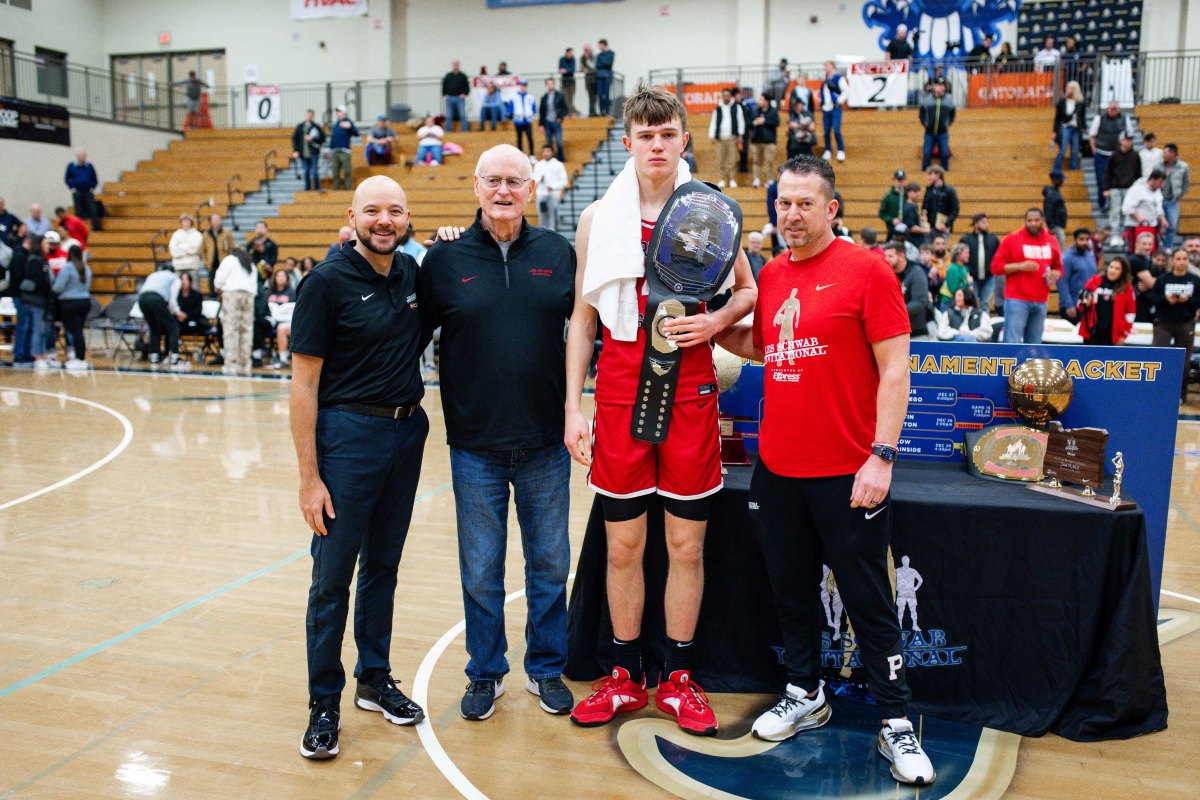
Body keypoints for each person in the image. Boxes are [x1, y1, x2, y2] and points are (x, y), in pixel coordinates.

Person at [715, 154, 935, 787]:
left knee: (868, 599)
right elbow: (764, 347)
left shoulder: (867, 271)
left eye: (804, 203)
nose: (791, 214)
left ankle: (896, 721)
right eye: (783, 203)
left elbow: (896, 369)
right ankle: (805, 692)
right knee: (791, 592)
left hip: (849, 473)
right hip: (778, 472)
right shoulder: (774, 274)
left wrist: (882, 456)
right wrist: (707, 329)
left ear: (831, 208)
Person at [564, 83, 756, 736]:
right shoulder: (597, 219)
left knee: (685, 543)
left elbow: (749, 293)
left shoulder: (712, 213)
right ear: (628, 142)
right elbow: (583, 324)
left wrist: (716, 322)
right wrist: (573, 405)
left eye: (667, 133)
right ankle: (623, 677)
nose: (656, 145)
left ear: (683, 140)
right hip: (618, 389)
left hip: (692, 390)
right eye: (644, 135)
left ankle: (677, 678)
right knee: (623, 544)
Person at [418, 144, 578, 721]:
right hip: (475, 447)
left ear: (531, 189)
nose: (504, 190)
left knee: (550, 564)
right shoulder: (443, 260)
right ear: (477, 187)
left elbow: (589, 333)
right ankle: (486, 672)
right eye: (493, 181)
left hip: (544, 444)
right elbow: (403, 325)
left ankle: (545, 668)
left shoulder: (560, 255)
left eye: (515, 181)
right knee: (482, 570)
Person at [290, 175, 429, 760]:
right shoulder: (324, 283)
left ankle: (374, 676)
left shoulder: (412, 275)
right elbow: (303, 386)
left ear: (405, 219)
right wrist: (309, 477)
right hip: (348, 437)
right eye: (373, 210)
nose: (384, 220)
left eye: (394, 211)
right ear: (352, 216)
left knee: (384, 566)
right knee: (332, 579)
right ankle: (325, 701)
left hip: (406, 432)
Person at [992, 208, 1062, 344]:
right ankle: (1011, 366)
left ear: (1043, 220)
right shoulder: (1012, 239)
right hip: (1017, 299)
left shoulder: (1051, 241)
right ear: (1025, 222)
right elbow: (995, 267)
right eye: (1029, 220)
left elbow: (1058, 266)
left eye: (1036, 220)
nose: (1033, 223)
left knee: (1034, 343)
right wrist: (1019, 266)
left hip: (1041, 299)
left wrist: (1056, 274)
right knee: (1012, 342)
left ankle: (1030, 366)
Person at [1152, 248, 1200, 402]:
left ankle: (1180, 395)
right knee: (1158, 359)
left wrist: (1188, 300)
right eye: (1178, 258)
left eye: (1184, 259)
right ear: (1172, 261)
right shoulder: (1163, 278)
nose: (1181, 262)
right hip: (1163, 324)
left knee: (1184, 362)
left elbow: (1198, 302)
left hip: (1185, 324)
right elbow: (1153, 299)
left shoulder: (1195, 279)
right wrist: (1166, 299)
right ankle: (1155, 392)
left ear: (1188, 261)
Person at [50, 244, 92, 370]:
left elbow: (58, 287)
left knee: (75, 332)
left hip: (69, 303)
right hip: (85, 301)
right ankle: (80, 358)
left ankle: (79, 359)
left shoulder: (67, 268)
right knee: (79, 331)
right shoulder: (87, 268)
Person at [1078, 255, 1135, 347]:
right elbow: (1081, 303)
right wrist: (1085, 303)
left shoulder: (1128, 289)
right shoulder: (1094, 281)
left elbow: (1130, 314)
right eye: (1111, 267)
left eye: (1117, 269)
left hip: (1113, 334)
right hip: (1092, 332)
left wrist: (1124, 335)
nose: (1112, 270)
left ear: (1123, 272)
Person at [1089, 101, 1134, 214]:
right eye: (1111, 109)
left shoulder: (1125, 119)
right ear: (1108, 109)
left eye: (1115, 109)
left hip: (1118, 156)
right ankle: (1103, 204)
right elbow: (1092, 136)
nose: (1113, 111)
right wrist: (1094, 150)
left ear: (1118, 109)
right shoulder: (1099, 118)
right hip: (1102, 154)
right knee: (1101, 180)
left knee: (1119, 181)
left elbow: (1130, 136)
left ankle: (1118, 206)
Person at [137, 266, 187, 369]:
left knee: (154, 327)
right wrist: (177, 312)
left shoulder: (153, 274)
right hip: (156, 298)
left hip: (142, 299)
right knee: (173, 327)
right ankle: (174, 357)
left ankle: (154, 356)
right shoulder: (174, 278)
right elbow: (172, 300)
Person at [18, 234, 52, 370]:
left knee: (43, 329)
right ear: (40, 244)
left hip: (43, 300)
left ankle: (43, 354)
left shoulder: (42, 260)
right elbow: (40, 281)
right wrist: (48, 293)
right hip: (36, 300)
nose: (48, 245)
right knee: (38, 329)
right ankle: (37, 356)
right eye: (46, 243)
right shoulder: (34, 260)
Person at [884, 241, 931, 340]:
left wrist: (894, 312)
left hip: (916, 332)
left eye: (890, 256)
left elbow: (920, 301)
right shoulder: (887, 273)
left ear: (902, 255)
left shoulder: (916, 272)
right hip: (894, 332)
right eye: (885, 256)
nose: (886, 259)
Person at [960, 213, 1001, 312]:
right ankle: (972, 323)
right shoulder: (966, 239)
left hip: (989, 278)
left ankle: (984, 325)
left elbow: (999, 257)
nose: (986, 224)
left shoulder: (993, 239)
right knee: (972, 302)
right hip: (972, 277)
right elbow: (960, 258)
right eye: (983, 222)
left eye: (987, 222)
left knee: (985, 303)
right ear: (976, 224)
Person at [1058, 228, 1098, 324]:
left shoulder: (1091, 257)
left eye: (1087, 239)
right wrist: (1069, 305)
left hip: (1088, 305)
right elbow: (1062, 283)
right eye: (1081, 239)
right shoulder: (1067, 258)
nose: (1084, 242)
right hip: (1073, 307)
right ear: (1074, 240)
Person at [708, 87, 746, 189]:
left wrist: (740, 135)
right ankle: (722, 179)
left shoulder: (736, 107)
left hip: (732, 137)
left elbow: (740, 121)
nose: (726, 97)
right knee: (721, 159)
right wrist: (712, 135)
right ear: (722, 96)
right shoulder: (718, 108)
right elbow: (714, 122)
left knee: (732, 159)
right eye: (724, 95)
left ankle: (732, 179)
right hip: (720, 138)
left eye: (728, 95)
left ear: (730, 96)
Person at [1122, 169, 1168, 250]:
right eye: (1160, 182)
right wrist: (1139, 218)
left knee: (1152, 251)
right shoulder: (1137, 189)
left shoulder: (1157, 191)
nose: (1162, 185)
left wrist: (1163, 219)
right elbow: (1127, 208)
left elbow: (1158, 208)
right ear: (1153, 180)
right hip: (1135, 227)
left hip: (1152, 226)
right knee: (1135, 251)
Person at [919, 78, 955, 171]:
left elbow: (952, 113)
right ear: (934, 87)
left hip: (942, 133)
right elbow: (921, 114)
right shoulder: (927, 100)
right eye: (938, 85)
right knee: (926, 154)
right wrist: (925, 124)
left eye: (942, 85)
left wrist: (948, 123)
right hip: (929, 133)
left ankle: (945, 172)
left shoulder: (948, 101)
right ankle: (925, 172)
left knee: (944, 154)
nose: (940, 87)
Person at [532, 144, 568, 231]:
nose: (546, 153)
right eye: (544, 151)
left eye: (548, 151)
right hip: (541, 195)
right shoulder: (538, 165)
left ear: (552, 152)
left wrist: (553, 187)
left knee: (553, 218)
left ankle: (553, 237)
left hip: (553, 195)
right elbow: (533, 180)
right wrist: (540, 179)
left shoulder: (558, 165)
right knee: (542, 218)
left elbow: (564, 181)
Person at [265, 266, 296, 368]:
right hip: (271, 320)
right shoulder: (269, 292)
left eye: (283, 276)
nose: (281, 278)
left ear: (287, 279)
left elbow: (294, 309)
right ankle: (257, 354)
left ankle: (283, 359)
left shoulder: (292, 292)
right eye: (279, 275)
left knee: (281, 328)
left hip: (287, 320)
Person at [1052, 82, 1085, 173]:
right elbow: (1057, 118)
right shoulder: (1062, 102)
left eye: (1069, 88)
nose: (1067, 90)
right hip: (1065, 127)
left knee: (1075, 150)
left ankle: (1073, 170)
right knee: (1063, 149)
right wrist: (1054, 131)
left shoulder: (1080, 102)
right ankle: (1056, 169)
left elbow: (1082, 117)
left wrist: (1085, 128)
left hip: (1076, 128)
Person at [1161, 144, 1190, 250]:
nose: (1163, 154)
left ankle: (1167, 247)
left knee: (1172, 225)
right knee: (1156, 224)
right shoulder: (1159, 165)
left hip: (1172, 201)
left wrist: (1179, 196)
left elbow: (1186, 184)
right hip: (1158, 199)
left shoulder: (1183, 166)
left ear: (1173, 153)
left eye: (1166, 152)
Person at [64, 149, 101, 230]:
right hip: (77, 192)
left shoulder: (89, 166)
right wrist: (72, 188)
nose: (82, 157)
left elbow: (95, 179)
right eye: (81, 155)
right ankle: (79, 229)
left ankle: (97, 228)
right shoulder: (71, 166)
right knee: (78, 212)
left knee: (93, 210)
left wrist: (92, 187)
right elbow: (67, 179)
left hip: (88, 191)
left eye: (84, 155)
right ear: (77, 156)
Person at [749, 94, 780, 189]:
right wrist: (754, 122)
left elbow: (777, 122)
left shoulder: (773, 111)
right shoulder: (755, 110)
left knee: (769, 161)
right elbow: (749, 122)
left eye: (762, 99)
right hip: (756, 140)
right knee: (756, 161)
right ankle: (756, 179)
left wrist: (764, 121)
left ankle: (769, 180)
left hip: (769, 141)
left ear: (767, 101)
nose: (760, 101)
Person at [1129, 231, 1161, 322]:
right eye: (1144, 244)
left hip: (1145, 302)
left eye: (1150, 244)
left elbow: (1152, 283)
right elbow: (1152, 284)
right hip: (1136, 304)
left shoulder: (1145, 259)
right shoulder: (1135, 260)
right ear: (1137, 244)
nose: (1147, 247)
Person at [820, 60, 847, 162]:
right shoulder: (825, 79)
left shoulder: (839, 79)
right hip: (826, 108)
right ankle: (828, 150)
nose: (825, 68)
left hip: (835, 108)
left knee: (836, 130)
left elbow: (846, 91)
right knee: (826, 131)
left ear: (833, 67)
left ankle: (840, 149)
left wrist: (839, 100)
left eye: (827, 65)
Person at [292, 110, 326, 191]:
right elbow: (295, 139)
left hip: (314, 153)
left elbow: (322, 139)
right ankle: (307, 189)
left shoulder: (316, 127)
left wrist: (312, 138)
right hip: (303, 154)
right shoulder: (300, 127)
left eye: (311, 116)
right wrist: (295, 150)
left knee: (314, 172)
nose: (309, 117)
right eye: (308, 115)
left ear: (313, 116)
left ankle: (317, 188)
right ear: (306, 116)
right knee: (306, 172)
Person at [202, 212, 235, 292]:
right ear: (211, 221)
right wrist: (206, 263)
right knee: (212, 285)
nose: (216, 221)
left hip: (223, 263)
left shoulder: (227, 233)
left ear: (220, 221)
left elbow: (231, 247)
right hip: (211, 264)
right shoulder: (206, 234)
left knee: (225, 285)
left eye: (217, 219)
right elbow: (203, 251)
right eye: (214, 219)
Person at [329, 106, 359, 191]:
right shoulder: (336, 124)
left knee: (347, 172)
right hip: (335, 151)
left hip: (345, 151)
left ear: (344, 112)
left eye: (339, 111)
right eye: (337, 112)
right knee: (335, 173)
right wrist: (330, 149)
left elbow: (356, 133)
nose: (338, 113)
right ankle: (337, 190)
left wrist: (349, 127)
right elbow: (333, 137)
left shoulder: (348, 122)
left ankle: (348, 190)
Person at [540, 78, 569, 162]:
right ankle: (551, 160)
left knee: (559, 143)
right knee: (549, 143)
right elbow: (542, 112)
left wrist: (560, 117)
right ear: (546, 85)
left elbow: (565, 108)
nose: (550, 85)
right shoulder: (544, 97)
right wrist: (541, 124)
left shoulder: (560, 96)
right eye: (548, 84)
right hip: (547, 122)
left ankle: (561, 160)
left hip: (556, 122)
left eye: (551, 83)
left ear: (554, 84)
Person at [938, 242, 972, 309]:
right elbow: (954, 289)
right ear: (958, 254)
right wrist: (968, 283)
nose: (968, 255)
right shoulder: (953, 269)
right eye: (966, 253)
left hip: (959, 303)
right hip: (949, 303)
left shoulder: (965, 268)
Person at [510, 79, 539, 157]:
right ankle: (520, 155)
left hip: (527, 121)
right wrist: (516, 114)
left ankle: (532, 155)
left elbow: (534, 108)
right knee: (519, 139)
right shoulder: (514, 97)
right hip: (518, 121)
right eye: (521, 85)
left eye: (524, 85)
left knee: (530, 138)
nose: (523, 87)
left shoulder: (530, 97)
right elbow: (510, 108)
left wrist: (530, 114)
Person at [442, 60, 471, 133]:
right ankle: (448, 130)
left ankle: (465, 130)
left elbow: (467, 86)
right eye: (454, 64)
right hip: (449, 98)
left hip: (460, 99)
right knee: (449, 116)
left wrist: (465, 93)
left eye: (457, 64)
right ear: (452, 65)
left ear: (459, 65)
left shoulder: (463, 76)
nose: (456, 66)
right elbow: (444, 85)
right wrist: (445, 94)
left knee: (462, 115)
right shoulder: (448, 76)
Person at [177, 270, 207, 337]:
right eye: (182, 279)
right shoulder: (176, 294)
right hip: (179, 320)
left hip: (193, 319)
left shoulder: (197, 295)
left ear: (190, 282)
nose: (183, 282)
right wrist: (179, 314)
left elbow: (198, 310)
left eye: (186, 279)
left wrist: (187, 315)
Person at [878, 170, 906, 240]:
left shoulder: (907, 195)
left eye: (902, 180)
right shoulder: (888, 197)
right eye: (898, 179)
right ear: (894, 180)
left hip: (906, 229)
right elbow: (882, 213)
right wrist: (892, 220)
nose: (900, 182)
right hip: (892, 229)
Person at [1043, 169, 1068, 247]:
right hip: (1055, 225)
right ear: (1055, 180)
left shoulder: (1055, 191)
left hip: (1057, 224)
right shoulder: (1051, 194)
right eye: (1061, 179)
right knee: (1058, 246)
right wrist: (1051, 227)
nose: (1062, 181)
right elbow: (1048, 210)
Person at [595, 39, 615, 116]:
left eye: (600, 45)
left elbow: (608, 63)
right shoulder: (599, 55)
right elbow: (597, 65)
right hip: (599, 77)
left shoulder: (611, 53)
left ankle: (606, 111)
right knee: (600, 94)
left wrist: (602, 63)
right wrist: (603, 63)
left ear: (604, 45)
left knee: (606, 94)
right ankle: (601, 111)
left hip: (607, 76)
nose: (599, 47)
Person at [559, 47, 578, 116]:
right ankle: (569, 112)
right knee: (565, 98)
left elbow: (572, 69)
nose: (571, 54)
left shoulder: (573, 59)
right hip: (564, 82)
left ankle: (571, 112)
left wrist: (566, 70)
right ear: (567, 53)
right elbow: (560, 69)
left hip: (571, 82)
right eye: (570, 53)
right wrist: (567, 70)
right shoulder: (562, 59)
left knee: (571, 98)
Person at [580, 44, 598, 117]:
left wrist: (588, 61)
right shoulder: (582, 58)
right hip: (588, 80)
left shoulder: (594, 57)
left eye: (587, 50)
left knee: (595, 97)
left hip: (595, 79)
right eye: (585, 50)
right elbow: (582, 67)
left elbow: (595, 67)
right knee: (590, 97)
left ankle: (597, 112)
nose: (586, 51)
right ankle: (592, 112)